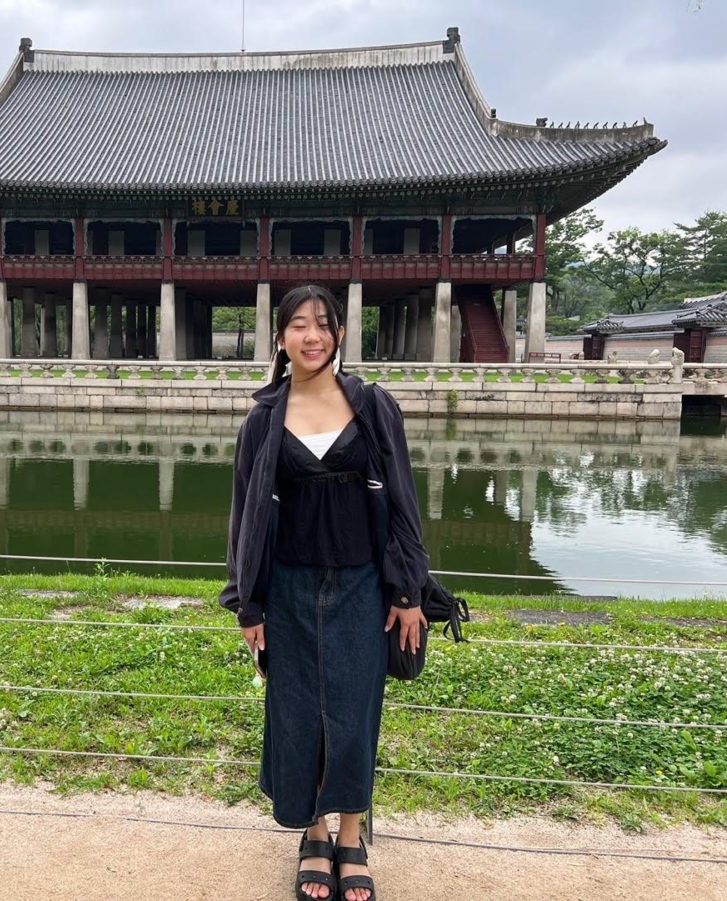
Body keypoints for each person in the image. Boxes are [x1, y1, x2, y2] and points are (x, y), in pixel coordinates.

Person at [220, 285, 430, 901]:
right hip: (287, 586)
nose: (311, 336)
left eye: (323, 324)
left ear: (338, 333)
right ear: (280, 338)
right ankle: (313, 831)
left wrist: (408, 589)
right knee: (296, 715)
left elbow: (402, 502)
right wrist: (248, 602)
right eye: (298, 326)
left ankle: (352, 836)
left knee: (355, 711)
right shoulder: (263, 418)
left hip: (364, 585)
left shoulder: (371, 405)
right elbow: (246, 518)